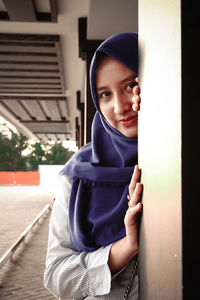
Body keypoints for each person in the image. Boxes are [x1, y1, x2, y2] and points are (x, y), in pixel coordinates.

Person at [44, 32, 143, 299]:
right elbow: (56, 277)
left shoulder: (181, 161)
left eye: (129, 86)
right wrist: (124, 248)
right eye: (104, 94)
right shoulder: (77, 175)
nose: (120, 107)